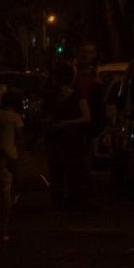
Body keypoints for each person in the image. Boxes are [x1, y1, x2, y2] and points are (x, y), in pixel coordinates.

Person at [45, 66, 93, 215]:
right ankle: (59, 201)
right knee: (57, 171)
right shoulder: (54, 97)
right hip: (57, 140)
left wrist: (67, 123)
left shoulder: (78, 98)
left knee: (73, 171)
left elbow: (87, 118)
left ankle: (74, 202)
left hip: (73, 141)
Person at [0, 90, 26, 213]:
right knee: (15, 177)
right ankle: (12, 202)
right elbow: (19, 135)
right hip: (10, 151)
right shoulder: (15, 117)